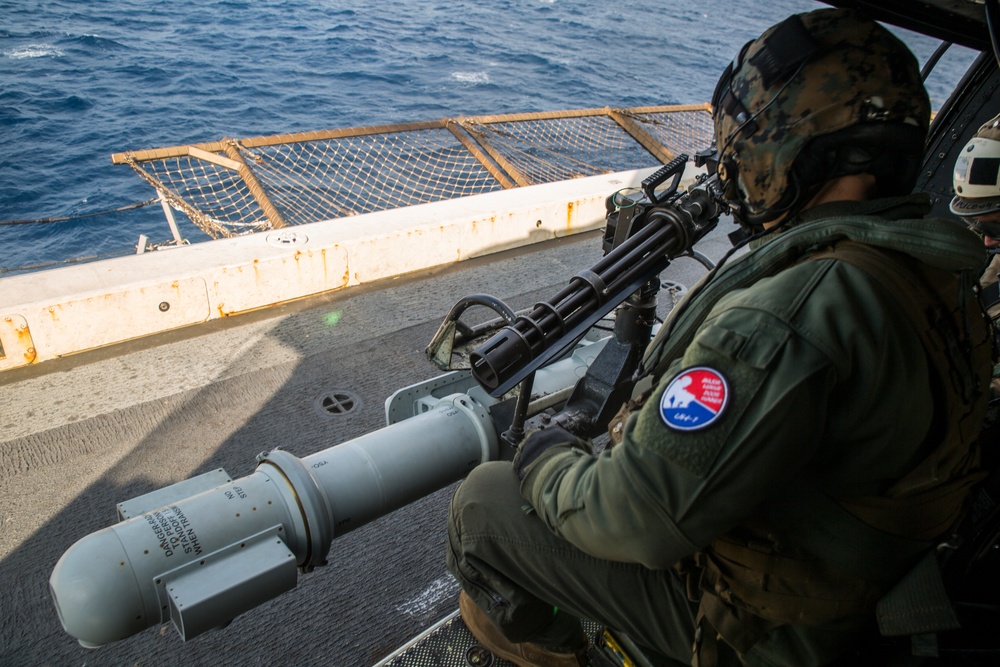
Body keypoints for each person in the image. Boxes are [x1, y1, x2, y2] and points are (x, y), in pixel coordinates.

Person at [446, 8, 994, 667]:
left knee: (484, 502)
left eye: (750, 141)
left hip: (774, 630)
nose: (734, 162)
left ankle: (571, 652)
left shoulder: (794, 310)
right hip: (873, 595)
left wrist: (542, 462)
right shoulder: (931, 272)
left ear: (797, 149)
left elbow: (637, 515)